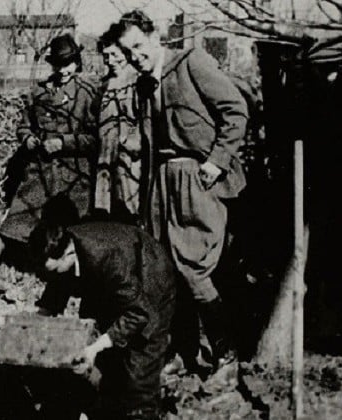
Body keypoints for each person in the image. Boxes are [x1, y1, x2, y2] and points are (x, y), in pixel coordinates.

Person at [116, 10, 249, 373]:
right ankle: (183, 351)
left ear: (155, 36)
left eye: (139, 47)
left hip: (197, 177)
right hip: (161, 182)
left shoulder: (192, 63)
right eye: (128, 53)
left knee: (194, 267)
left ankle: (224, 352)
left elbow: (236, 111)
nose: (135, 57)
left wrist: (216, 161)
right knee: (164, 268)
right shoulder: (144, 85)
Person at [28, 195, 176, 419]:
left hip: (149, 281)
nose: (46, 278)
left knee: (139, 369)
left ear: (68, 255)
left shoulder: (106, 258)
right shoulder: (65, 248)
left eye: (52, 271)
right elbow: (58, 284)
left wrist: (95, 348)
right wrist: (39, 320)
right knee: (106, 362)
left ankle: (142, 412)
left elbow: (139, 312)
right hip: (114, 286)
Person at [0, 33, 99, 276]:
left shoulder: (87, 94)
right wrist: (28, 140)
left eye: (68, 64)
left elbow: (94, 139)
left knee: (77, 227)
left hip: (73, 173)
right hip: (41, 169)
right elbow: (23, 126)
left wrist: (64, 143)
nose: (63, 70)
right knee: (18, 215)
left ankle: (78, 277)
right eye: (58, 64)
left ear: (77, 63)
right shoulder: (38, 94)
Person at [94, 23, 144, 225]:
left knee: (130, 212)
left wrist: (132, 142)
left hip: (130, 160)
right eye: (106, 56)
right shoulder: (104, 84)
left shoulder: (137, 80)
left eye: (115, 55)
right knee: (106, 213)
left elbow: (145, 119)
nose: (110, 60)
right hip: (105, 158)